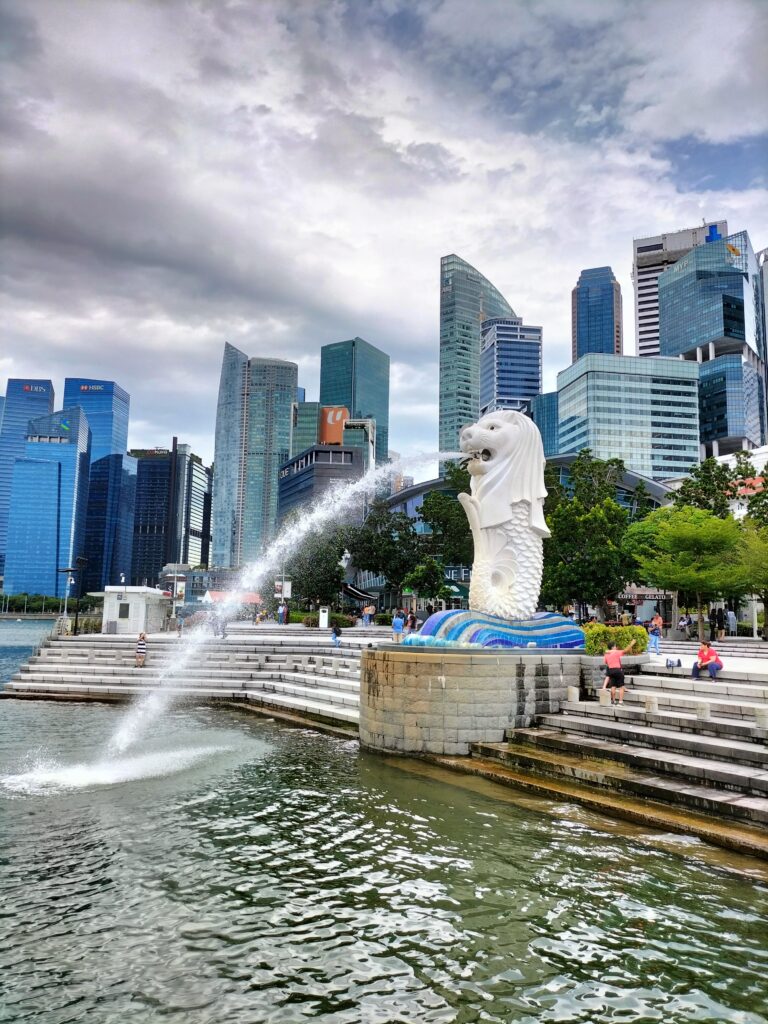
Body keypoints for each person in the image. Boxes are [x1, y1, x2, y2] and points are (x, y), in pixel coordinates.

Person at [602, 638, 636, 705]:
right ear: (613, 647)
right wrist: (632, 643)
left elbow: (605, 662)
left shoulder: (606, 654)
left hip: (611, 671)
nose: (616, 647)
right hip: (618, 670)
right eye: (615, 646)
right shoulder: (616, 652)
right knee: (621, 687)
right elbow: (626, 650)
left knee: (613, 686)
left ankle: (613, 701)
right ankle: (620, 702)